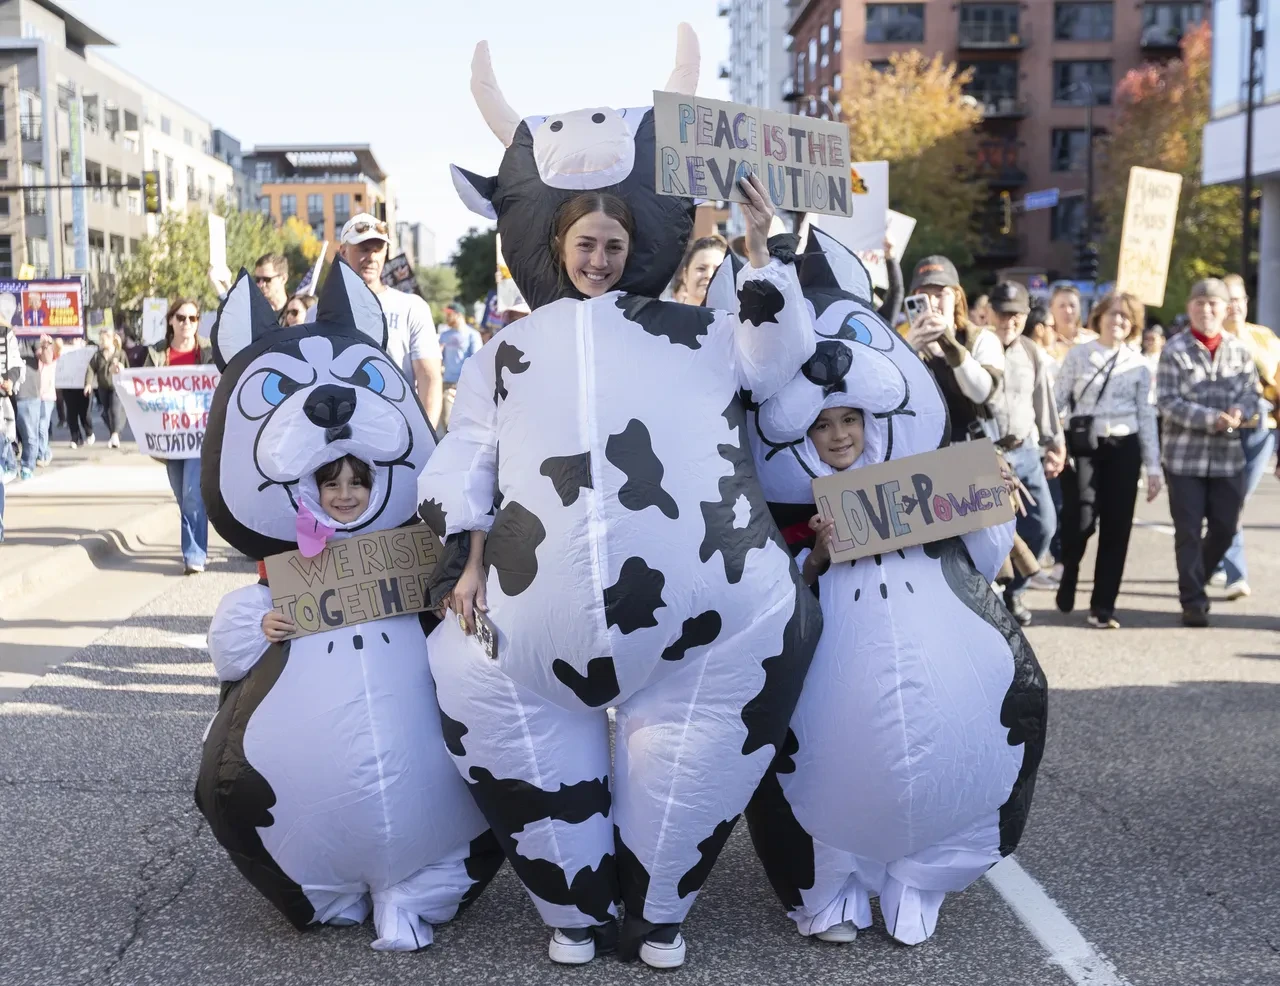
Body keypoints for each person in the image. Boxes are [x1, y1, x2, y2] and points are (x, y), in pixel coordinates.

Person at [433, 34, 820, 967]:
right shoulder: (504, 353)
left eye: (612, 243)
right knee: (475, 679)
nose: (599, 259)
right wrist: (467, 553)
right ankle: (574, 909)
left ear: (637, 242)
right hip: (526, 621)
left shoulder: (698, 332)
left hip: (710, 621)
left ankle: (659, 909)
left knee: (689, 764)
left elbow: (779, 360)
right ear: (555, 246)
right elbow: (467, 457)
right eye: (583, 243)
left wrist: (762, 252)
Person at [739, 228, 1045, 948]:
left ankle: (921, 871)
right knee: (828, 760)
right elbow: (769, 593)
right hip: (833, 653)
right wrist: (811, 551)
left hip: (934, 639)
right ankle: (830, 884)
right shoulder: (777, 507)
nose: (838, 435)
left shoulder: (925, 476)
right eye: (822, 425)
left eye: (850, 420)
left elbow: (989, 557)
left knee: (956, 745)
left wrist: (987, 492)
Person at [199, 266, 500, 949]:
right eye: (329, 483)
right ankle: (321, 886)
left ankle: (426, 881)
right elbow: (232, 649)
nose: (344, 493)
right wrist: (263, 621)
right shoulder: (285, 569)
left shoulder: (415, 550)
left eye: (356, 481)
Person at [1053, 292, 1162, 628]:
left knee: (1117, 526)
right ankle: (1070, 568)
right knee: (1081, 517)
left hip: (1124, 446)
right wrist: (1055, 441)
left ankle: (1103, 606)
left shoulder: (1139, 364)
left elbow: (1147, 415)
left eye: (1125, 317)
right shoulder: (1079, 355)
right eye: (1112, 315)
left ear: (1133, 325)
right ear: (1098, 317)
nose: (1118, 322)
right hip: (1084, 444)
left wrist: (1154, 466)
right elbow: (1057, 401)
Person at [1156, 279, 1261, 627]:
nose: (1206, 310)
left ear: (1225, 309)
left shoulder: (1238, 350)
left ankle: (1194, 577)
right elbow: (1168, 402)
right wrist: (1209, 419)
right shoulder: (1174, 349)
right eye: (1199, 303)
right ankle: (1193, 602)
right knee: (1187, 530)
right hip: (1185, 458)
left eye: (1213, 303)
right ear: (1190, 308)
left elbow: (1251, 393)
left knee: (1226, 528)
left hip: (1228, 457)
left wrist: (1240, 412)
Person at [983, 282, 1066, 626]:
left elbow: (1042, 401)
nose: (1009, 320)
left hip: (1026, 451)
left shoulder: (1031, 351)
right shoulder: (977, 345)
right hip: (985, 456)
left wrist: (1055, 444)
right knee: (992, 536)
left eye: (1016, 313)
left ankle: (1015, 590)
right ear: (990, 313)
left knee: (1044, 525)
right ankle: (994, 599)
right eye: (1003, 312)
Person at [313, 214, 444, 428]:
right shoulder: (316, 311)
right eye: (363, 249)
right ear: (343, 252)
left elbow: (429, 377)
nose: (372, 257)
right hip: (337, 431)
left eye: (378, 249)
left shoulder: (412, 307)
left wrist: (426, 437)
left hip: (395, 430)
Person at [1211, 273, 1280, 599]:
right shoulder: (1214, 339)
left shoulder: (1264, 337)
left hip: (1261, 431)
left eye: (1239, 299)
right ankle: (1224, 567)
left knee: (1235, 501)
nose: (1235, 306)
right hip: (1224, 431)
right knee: (1227, 502)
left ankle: (1222, 565)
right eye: (1229, 300)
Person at [904, 255, 1005, 444]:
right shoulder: (903, 342)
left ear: (957, 296)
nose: (932, 303)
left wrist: (949, 344)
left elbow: (981, 393)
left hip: (973, 447)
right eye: (923, 295)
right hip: (924, 451)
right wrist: (906, 353)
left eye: (940, 294)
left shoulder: (981, 339)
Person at [146, 298, 213, 574]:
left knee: (192, 494)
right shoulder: (158, 354)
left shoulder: (208, 351)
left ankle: (194, 554)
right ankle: (195, 542)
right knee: (182, 496)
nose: (188, 323)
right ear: (171, 320)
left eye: (193, 318)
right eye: (182, 318)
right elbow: (143, 388)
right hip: (172, 438)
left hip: (200, 436)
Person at [15, 335, 59, 478]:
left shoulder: (30, 335)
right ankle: (8, 464)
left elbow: (46, 359)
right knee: (6, 435)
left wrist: (46, 346)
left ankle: (27, 466)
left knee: (30, 435)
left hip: (27, 393)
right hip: (5, 392)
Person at [437, 303, 482, 434]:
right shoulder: (444, 335)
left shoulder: (472, 335)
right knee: (447, 422)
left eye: (449, 314)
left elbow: (476, 360)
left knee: (467, 423)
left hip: (465, 384)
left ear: (458, 315)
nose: (446, 317)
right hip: (447, 383)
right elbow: (440, 359)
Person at [85, 328, 127, 448]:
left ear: (111, 339)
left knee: (114, 410)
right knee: (106, 413)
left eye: (103, 340)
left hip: (116, 387)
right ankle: (114, 434)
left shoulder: (120, 354)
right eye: (100, 340)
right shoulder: (98, 355)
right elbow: (91, 369)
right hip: (103, 387)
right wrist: (88, 384)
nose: (101, 342)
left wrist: (120, 368)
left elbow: (127, 368)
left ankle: (115, 434)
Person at [671, 234, 727, 306]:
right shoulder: (667, 316)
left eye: (718, 270)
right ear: (685, 275)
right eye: (701, 268)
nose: (709, 275)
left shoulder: (739, 316)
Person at [1048, 283, 1095, 364]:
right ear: (1052, 309)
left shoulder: (1092, 340)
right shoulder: (1044, 342)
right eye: (1062, 306)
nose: (1068, 311)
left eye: (1072, 305)